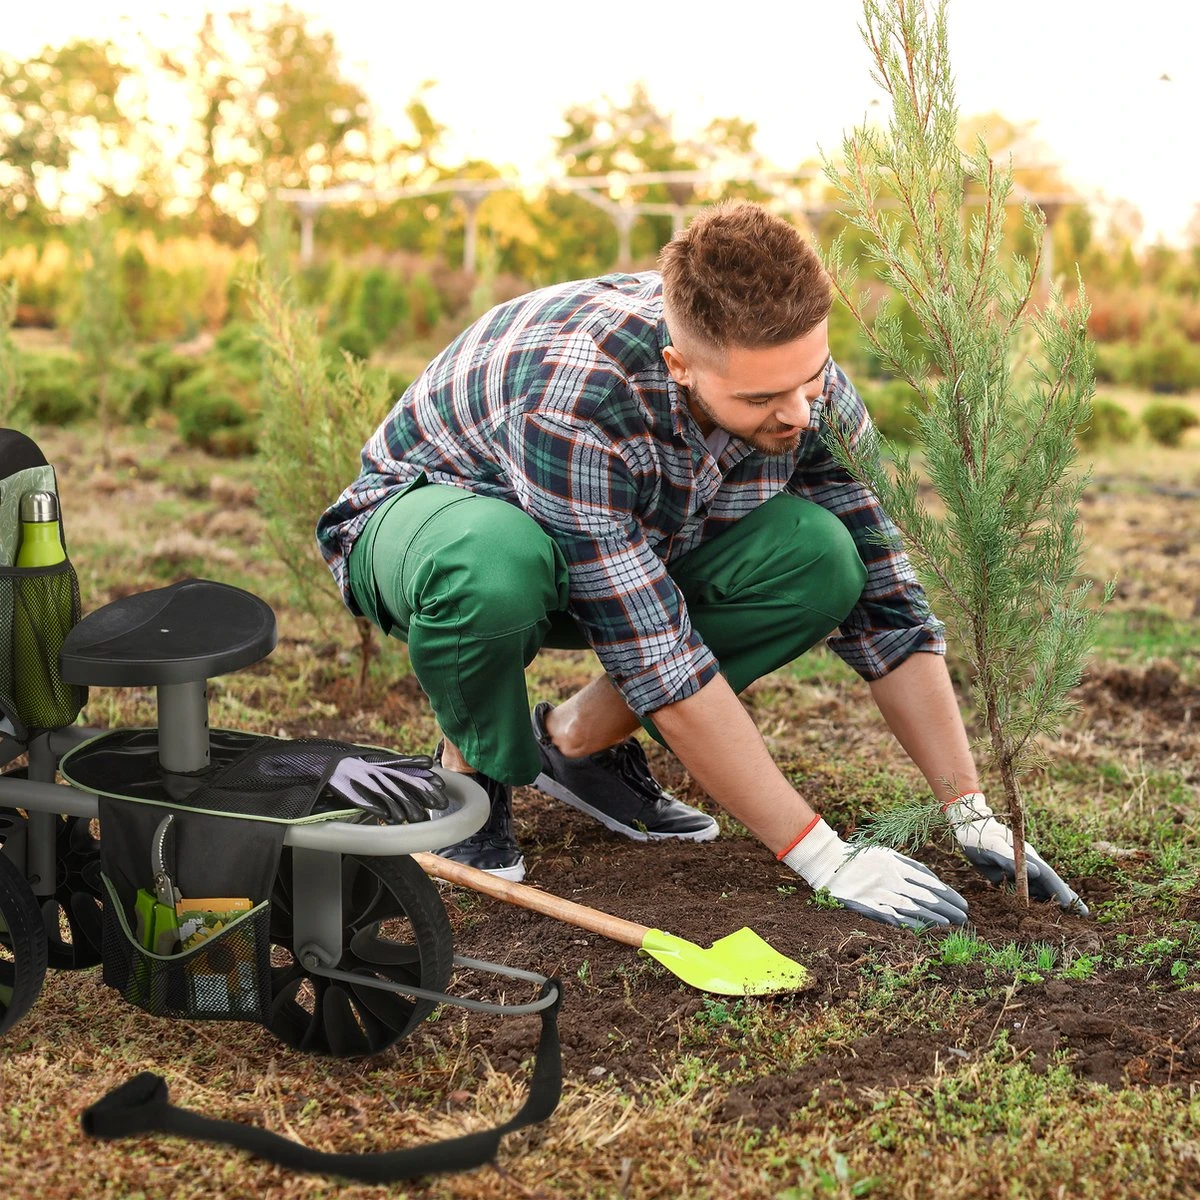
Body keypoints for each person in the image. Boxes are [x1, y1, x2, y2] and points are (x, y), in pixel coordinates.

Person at [317, 200, 1086, 930]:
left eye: (812, 377)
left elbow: (889, 605)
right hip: (431, 526)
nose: (800, 412)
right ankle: (466, 780)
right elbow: (655, 656)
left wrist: (969, 811)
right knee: (495, 566)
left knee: (826, 557)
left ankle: (574, 745)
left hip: (614, 545)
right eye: (764, 396)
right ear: (680, 365)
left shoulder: (801, 390)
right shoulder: (578, 399)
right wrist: (824, 857)